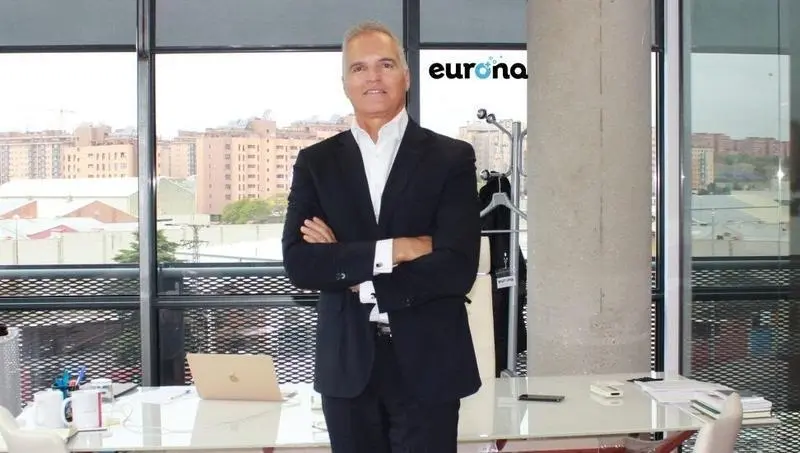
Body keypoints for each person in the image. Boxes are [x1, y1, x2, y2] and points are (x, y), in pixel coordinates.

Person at [281, 20, 482, 453]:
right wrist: (400, 249)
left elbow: (457, 267)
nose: (373, 76)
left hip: (429, 363)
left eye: (385, 64)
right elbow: (300, 263)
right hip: (347, 365)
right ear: (345, 84)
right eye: (359, 68)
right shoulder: (316, 162)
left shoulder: (451, 157)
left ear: (406, 77)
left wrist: (352, 269)